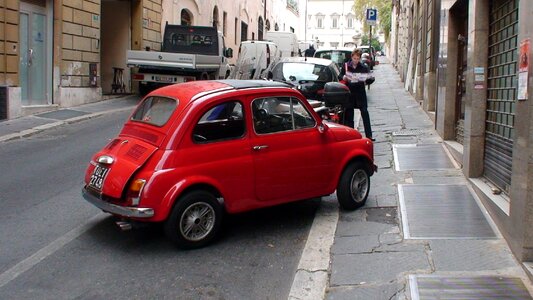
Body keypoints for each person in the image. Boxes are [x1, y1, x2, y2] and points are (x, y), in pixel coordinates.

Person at [338, 48, 375, 141]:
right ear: (352, 57)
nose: (356, 61)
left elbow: (371, 78)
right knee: (349, 114)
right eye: (354, 58)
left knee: (365, 113)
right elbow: (339, 76)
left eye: (358, 59)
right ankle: (351, 135)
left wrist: (366, 79)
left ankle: (369, 135)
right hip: (349, 93)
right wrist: (344, 77)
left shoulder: (363, 67)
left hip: (360, 93)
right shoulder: (346, 65)